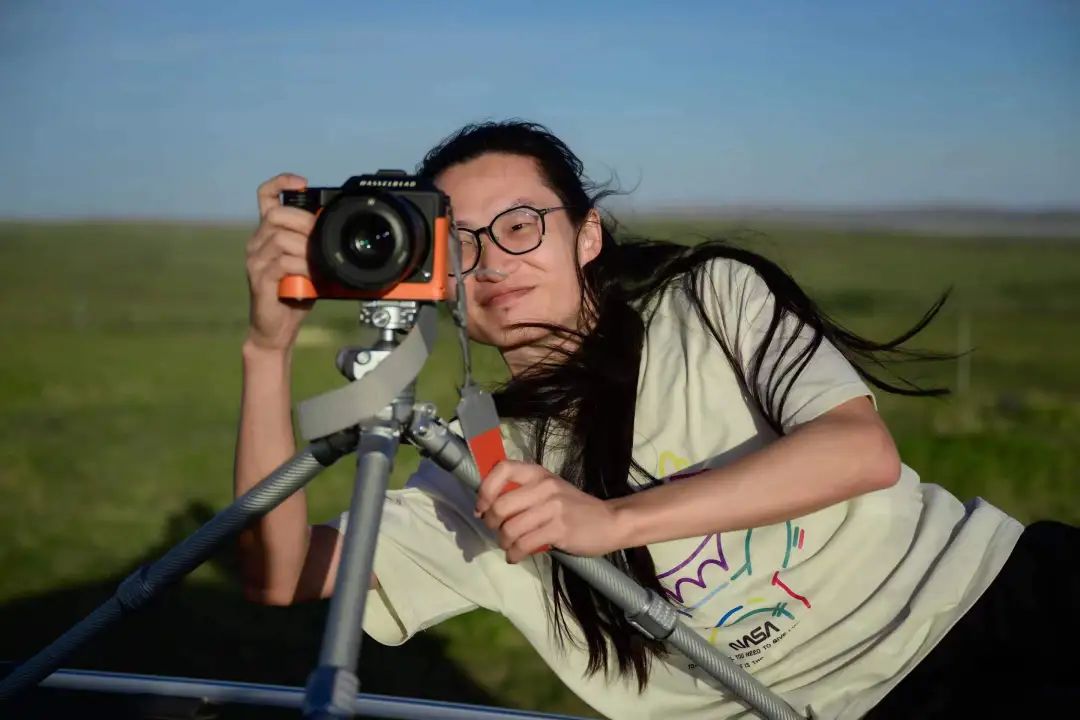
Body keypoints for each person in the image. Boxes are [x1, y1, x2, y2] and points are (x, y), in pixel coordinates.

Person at [233, 120, 1078, 719]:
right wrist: (267, 352)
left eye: (521, 225)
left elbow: (859, 451)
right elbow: (280, 574)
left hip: (987, 605)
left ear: (587, 235)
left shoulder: (707, 300)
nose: (494, 263)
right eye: (461, 243)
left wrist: (612, 523)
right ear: (431, 270)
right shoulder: (479, 464)